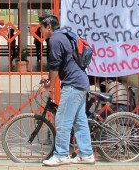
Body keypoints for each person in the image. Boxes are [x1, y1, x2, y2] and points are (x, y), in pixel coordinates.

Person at [39, 15, 95, 166]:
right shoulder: (64, 35)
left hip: (73, 84)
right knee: (79, 120)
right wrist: (50, 79)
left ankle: (62, 155)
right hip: (81, 81)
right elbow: (62, 63)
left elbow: (55, 65)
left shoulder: (55, 40)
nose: (41, 31)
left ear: (49, 27)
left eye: (42, 28)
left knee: (63, 120)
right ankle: (86, 154)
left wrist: (49, 85)